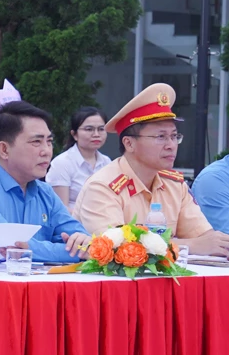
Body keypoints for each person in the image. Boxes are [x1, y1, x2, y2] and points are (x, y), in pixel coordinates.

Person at [73, 83, 229, 255]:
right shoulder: (103, 187)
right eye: (161, 137)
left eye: (174, 136)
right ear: (129, 143)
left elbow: (205, 238)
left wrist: (215, 244)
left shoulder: (175, 185)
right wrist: (190, 246)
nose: (171, 145)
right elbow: (116, 250)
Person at [0, 100, 92, 265]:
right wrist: (69, 251)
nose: (46, 151)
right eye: (36, 142)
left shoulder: (44, 191)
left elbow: (85, 245)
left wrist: (32, 248)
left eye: (49, 141)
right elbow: (8, 248)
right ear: (4, 149)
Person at [47, 106, 110, 208]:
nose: (96, 134)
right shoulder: (62, 163)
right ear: (74, 134)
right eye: (89, 129)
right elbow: (61, 209)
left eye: (101, 129)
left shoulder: (107, 162)